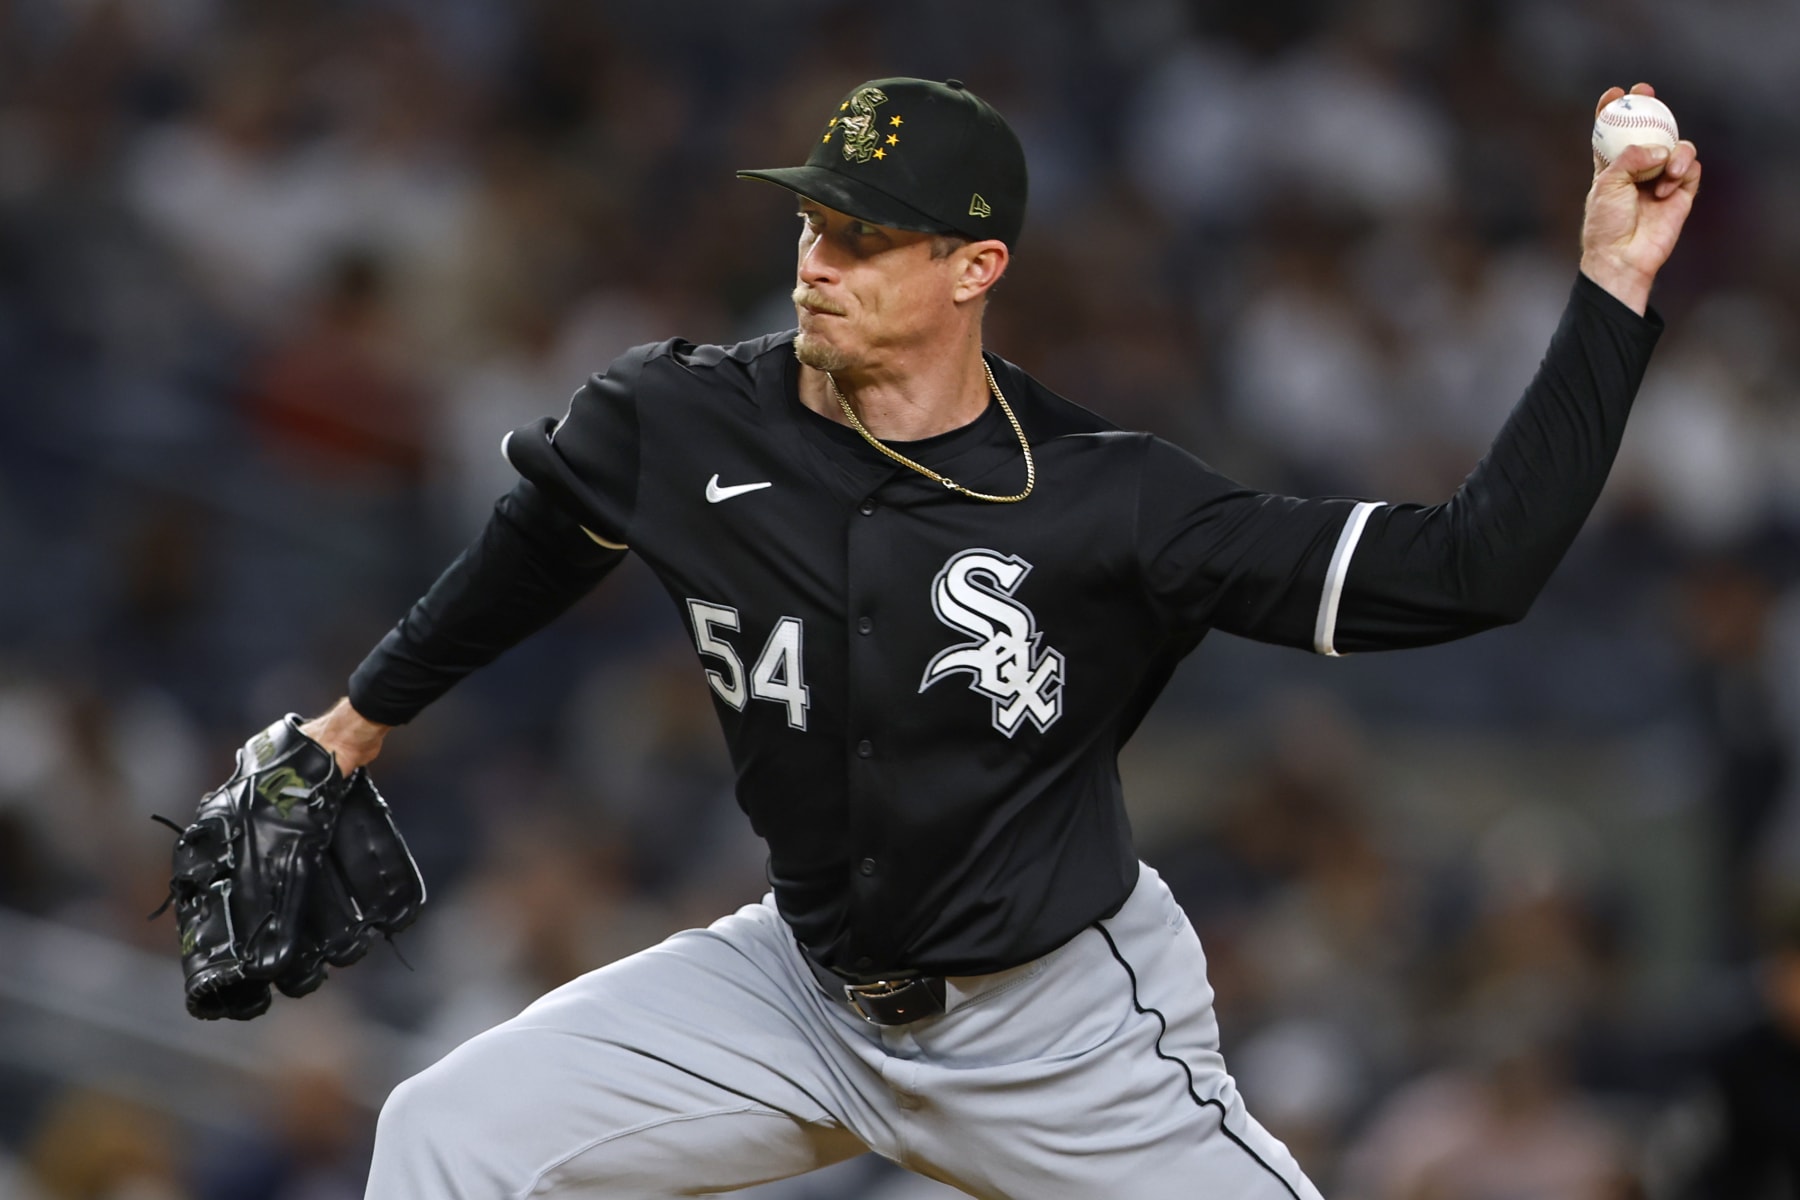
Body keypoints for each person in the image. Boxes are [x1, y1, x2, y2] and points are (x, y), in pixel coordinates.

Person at [296, 77, 1699, 1198]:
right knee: (445, 1135)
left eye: (864, 237)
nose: (818, 262)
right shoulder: (681, 417)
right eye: (811, 224)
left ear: (976, 266)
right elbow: (552, 529)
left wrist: (1611, 291)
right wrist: (356, 720)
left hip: (1058, 1031)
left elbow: (1465, 570)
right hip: (797, 990)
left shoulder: (1112, 499)